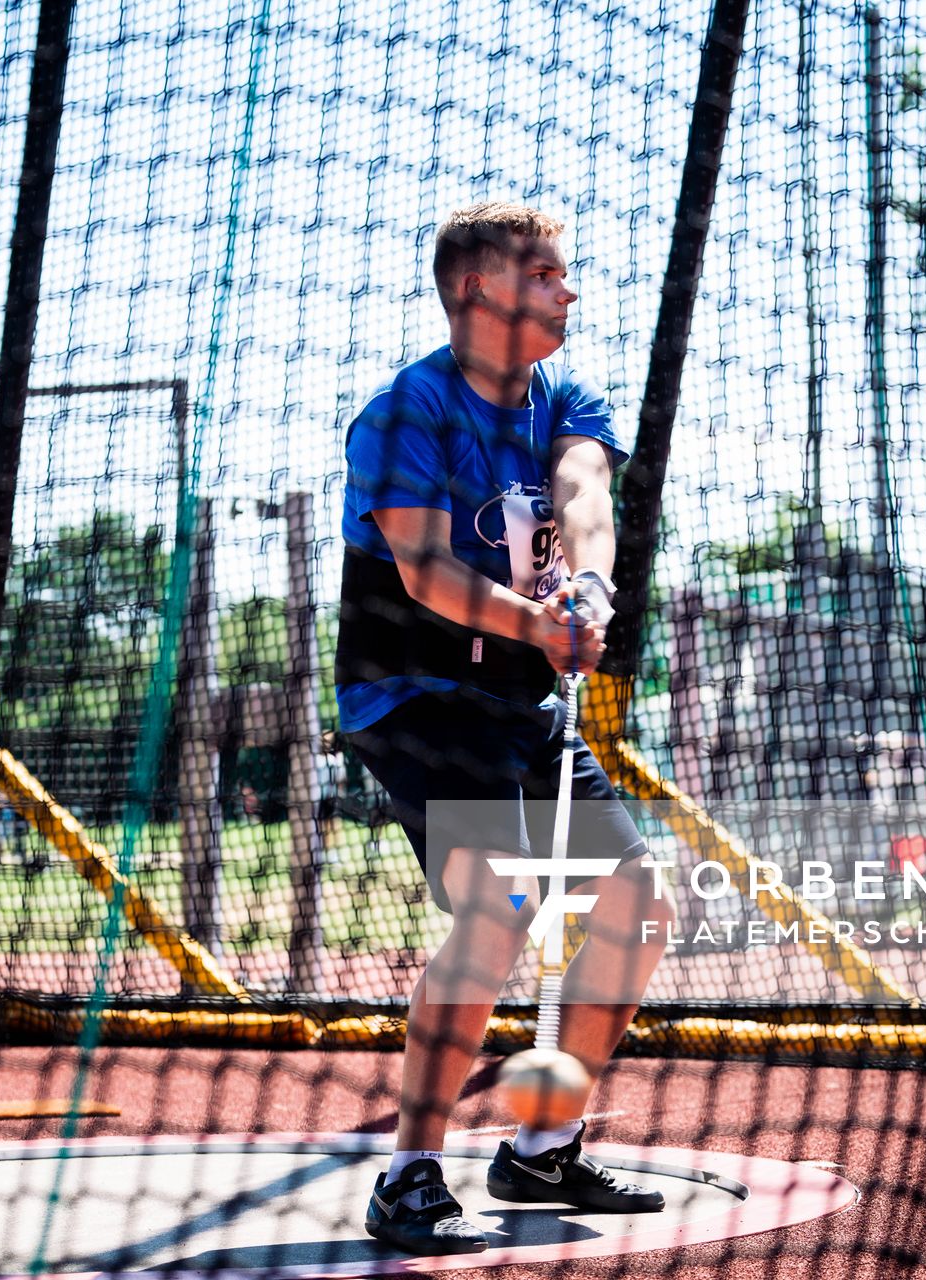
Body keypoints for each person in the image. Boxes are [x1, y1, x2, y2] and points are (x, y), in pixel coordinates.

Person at [336, 202, 673, 1255]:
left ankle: (541, 1148)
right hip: (416, 692)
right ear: (481, 290)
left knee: (637, 903)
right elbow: (426, 571)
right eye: (547, 274)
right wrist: (538, 619)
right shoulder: (407, 411)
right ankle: (411, 1173)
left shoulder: (566, 395)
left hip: (518, 701)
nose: (568, 290)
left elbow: (582, 493)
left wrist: (595, 591)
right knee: (503, 902)